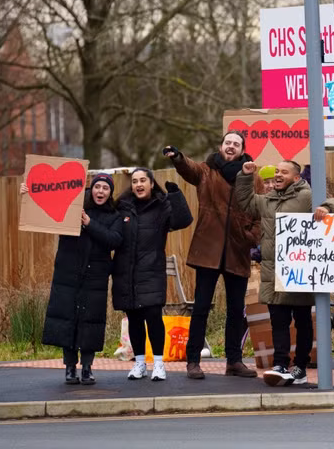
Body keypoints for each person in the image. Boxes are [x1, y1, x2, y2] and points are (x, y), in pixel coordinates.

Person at [163, 132, 262, 380]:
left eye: (236, 144)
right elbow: (189, 169)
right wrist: (178, 157)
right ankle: (193, 361)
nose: (231, 147)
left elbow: (260, 211)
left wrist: (251, 236)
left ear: (242, 150)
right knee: (201, 308)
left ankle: (234, 361)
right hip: (208, 249)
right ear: (221, 146)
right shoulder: (207, 170)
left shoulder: (252, 176)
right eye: (228, 143)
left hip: (237, 250)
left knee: (236, 310)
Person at [235, 160, 334, 386]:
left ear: (296, 178)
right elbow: (245, 201)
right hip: (273, 273)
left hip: (299, 273)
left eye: (284, 172)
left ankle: (300, 367)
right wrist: (245, 176)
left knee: (302, 321)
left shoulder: (306, 196)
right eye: (276, 171)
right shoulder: (267, 201)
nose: (278, 175)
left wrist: (327, 208)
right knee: (279, 322)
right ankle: (280, 365)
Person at [25, 174, 123, 385]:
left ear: (110, 193)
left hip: (95, 276)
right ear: (91, 189)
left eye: (105, 188)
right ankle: (70, 367)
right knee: (68, 318)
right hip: (68, 273)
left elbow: (114, 240)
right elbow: (45, 209)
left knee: (90, 321)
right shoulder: (72, 207)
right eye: (97, 186)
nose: (100, 191)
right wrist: (29, 193)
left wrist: (89, 223)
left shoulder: (114, 216)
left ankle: (87, 368)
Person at [112, 168, 193, 381]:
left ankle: (158, 364)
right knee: (134, 319)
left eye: (142, 180)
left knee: (153, 317)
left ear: (151, 183)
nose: (138, 185)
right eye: (135, 181)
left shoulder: (161, 206)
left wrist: (175, 195)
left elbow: (183, 220)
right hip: (126, 273)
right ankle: (140, 364)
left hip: (152, 270)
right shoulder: (122, 207)